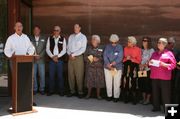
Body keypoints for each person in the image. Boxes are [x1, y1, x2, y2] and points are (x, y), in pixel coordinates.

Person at [4, 22, 36, 106]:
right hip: (14, 62)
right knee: (16, 82)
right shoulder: (10, 38)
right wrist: (11, 55)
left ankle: (28, 101)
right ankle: (16, 102)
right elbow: (6, 50)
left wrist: (29, 54)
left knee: (26, 81)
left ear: (22, 28)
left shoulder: (26, 37)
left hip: (26, 62)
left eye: (20, 26)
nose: (19, 27)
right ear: (14, 28)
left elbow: (31, 48)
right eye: (17, 26)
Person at [149, 38, 176, 112]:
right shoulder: (154, 53)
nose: (159, 44)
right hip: (154, 76)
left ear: (164, 44)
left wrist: (165, 64)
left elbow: (173, 65)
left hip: (164, 77)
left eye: (160, 42)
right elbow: (150, 64)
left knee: (165, 94)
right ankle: (156, 107)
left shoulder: (169, 53)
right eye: (158, 42)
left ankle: (167, 109)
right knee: (155, 93)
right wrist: (150, 63)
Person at [67, 24, 87, 98]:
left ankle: (80, 92)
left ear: (80, 28)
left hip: (78, 57)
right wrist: (69, 54)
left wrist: (74, 54)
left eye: (77, 27)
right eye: (74, 27)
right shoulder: (71, 36)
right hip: (70, 57)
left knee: (79, 75)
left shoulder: (83, 37)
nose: (75, 28)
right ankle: (72, 91)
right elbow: (68, 47)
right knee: (70, 75)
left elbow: (83, 49)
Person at [46, 26, 66, 96]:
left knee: (60, 76)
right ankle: (51, 91)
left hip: (59, 60)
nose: (56, 31)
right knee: (51, 76)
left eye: (57, 30)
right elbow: (47, 49)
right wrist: (52, 57)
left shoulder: (63, 39)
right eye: (55, 30)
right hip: (52, 60)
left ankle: (61, 91)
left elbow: (64, 50)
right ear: (53, 31)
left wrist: (58, 56)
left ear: (59, 31)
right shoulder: (50, 38)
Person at [103, 34, 123, 102]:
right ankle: (109, 96)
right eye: (112, 42)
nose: (113, 43)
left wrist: (114, 63)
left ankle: (116, 97)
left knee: (116, 83)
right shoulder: (107, 47)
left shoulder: (120, 47)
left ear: (117, 41)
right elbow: (105, 55)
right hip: (108, 67)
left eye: (115, 42)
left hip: (117, 67)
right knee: (108, 82)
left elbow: (120, 57)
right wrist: (108, 64)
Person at [122, 36, 141, 105]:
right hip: (127, 67)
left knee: (134, 83)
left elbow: (139, 60)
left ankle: (134, 99)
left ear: (133, 43)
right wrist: (126, 58)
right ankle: (126, 98)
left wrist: (132, 59)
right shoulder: (125, 48)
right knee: (126, 82)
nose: (128, 43)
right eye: (128, 41)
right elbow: (123, 59)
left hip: (134, 67)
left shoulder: (138, 49)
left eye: (129, 42)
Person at [84, 35, 105, 100]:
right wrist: (92, 58)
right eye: (92, 39)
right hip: (90, 68)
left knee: (98, 81)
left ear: (98, 41)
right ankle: (88, 94)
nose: (92, 41)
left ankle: (98, 95)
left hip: (99, 68)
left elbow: (104, 57)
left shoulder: (102, 48)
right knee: (89, 81)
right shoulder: (88, 48)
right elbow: (85, 57)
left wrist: (99, 59)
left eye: (94, 39)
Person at [30, 26, 46, 95]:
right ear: (33, 31)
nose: (36, 31)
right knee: (33, 75)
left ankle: (42, 89)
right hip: (33, 60)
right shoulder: (30, 38)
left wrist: (40, 56)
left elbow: (46, 48)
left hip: (41, 60)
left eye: (37, 30)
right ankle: (35, 89)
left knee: (42, 75)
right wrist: (34, 55)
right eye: (35, 30)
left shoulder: (44, 38)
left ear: (40, 30)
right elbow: (29, 47)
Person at [138, 37, 154, 105]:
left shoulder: (151, 50)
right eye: (143, 40)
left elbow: (150, 60)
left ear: (149, 42)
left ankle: (148, 99)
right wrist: (140, 65)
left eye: (145, 41)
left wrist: (143, 65)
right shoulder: (141, 50)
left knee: (148, 85)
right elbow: (138, 58)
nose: (144, 42)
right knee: (142, 84)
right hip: (141, 70)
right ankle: (143, 99)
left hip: (147, 70)